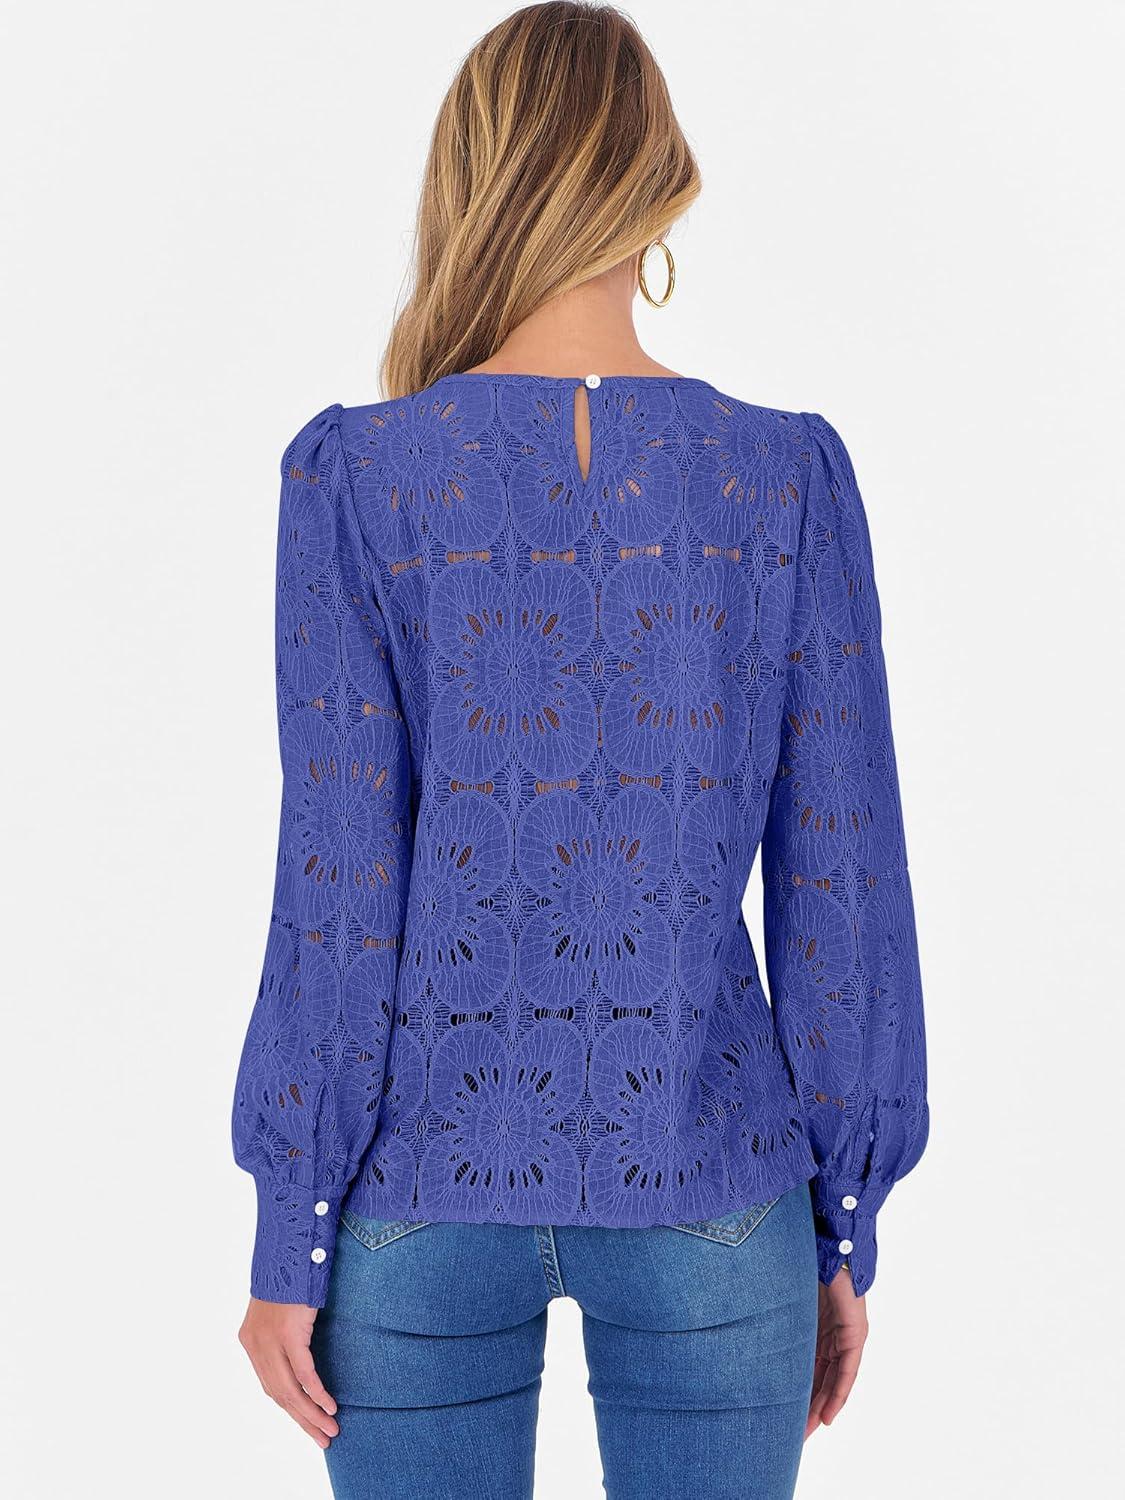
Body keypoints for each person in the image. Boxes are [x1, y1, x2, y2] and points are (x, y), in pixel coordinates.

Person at [231, 5, 929, 1496]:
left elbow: (337, 882)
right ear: (657, 180)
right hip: (714, 1186)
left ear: (468, 178)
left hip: (417, 1189)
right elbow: (844, 884)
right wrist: (838, 1222)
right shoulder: (781, 476)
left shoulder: (361, 474)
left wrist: (293, 1225)